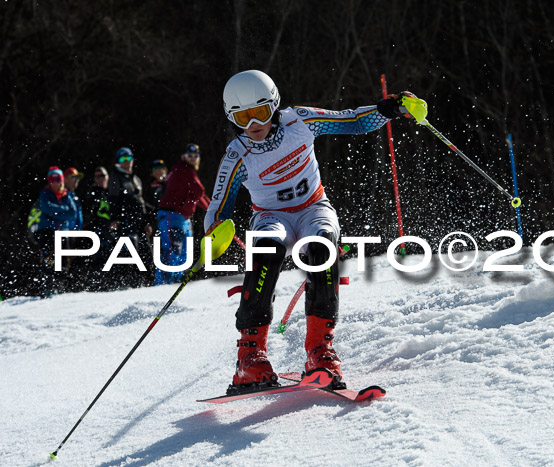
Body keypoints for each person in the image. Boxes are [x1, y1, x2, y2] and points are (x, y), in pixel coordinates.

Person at [204, 70, 417, 393]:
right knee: (266, 250)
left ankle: (319, 351)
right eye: (242, 118)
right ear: (231, 118)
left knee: (321, 248)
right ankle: (250, 357)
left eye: (259, 113)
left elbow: (353, 120)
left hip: (313, 208)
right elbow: (217, 208)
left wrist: (392, 108)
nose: (253, 126)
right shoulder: (237, 155)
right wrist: (214, 233)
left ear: (274, 105)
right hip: (271, 217)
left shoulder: (299, 122)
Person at [154, 144, 210, 285]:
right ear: (183, 157)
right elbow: (199, 191)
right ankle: (163, 284)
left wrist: (214, 211)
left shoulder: (188, 172)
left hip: (183, 218)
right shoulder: (182, 169)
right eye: (189, 155)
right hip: (171, 215)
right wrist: (213, 210)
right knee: (173, 249)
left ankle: (175, 282)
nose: (192, 158)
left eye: (195, 156)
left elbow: (198, 196)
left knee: (185, 253)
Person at [108, 147, 151, 286]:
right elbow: (113, 200)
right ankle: (128, 285)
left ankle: (147, 284)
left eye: (129, 158)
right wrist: (115, 218)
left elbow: (141, 201)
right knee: (130, 254)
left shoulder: (136, 178)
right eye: (123, 159)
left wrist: (146, 222)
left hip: (139, 221)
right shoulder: (115, 177)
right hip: (125, 222)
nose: (126, 162)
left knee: (147, 253)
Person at [34, 166, 79, 297]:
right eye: (52, 179)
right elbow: (46, 208)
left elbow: (72, 213)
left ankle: (58, 288)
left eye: (58, 179)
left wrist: (55, 213)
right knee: (48, 261)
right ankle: (46, 288)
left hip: (63, 233)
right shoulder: (45, 193)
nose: (55, 182)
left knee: (63, 262)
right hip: (46, 232)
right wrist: (62, 211)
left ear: (62, 180)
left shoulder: (66, 194)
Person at [83, 166, 117, 289]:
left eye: (102, 175)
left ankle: (113, 284)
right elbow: (92, 211)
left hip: (112, 231)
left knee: (115, 256)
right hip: (97, 230)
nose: (101, 178)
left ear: (107, 176)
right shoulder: (93, 192)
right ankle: (97, 285)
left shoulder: (113, 191)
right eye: (97, 176)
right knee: (99, 258)